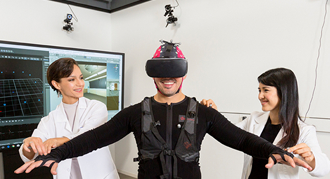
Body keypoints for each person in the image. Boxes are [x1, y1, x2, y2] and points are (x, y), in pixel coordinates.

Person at [15, 41, 312, 179]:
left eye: (174, 73)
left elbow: (241, 139)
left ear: (182, 75)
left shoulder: (204, 113)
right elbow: (93, 139)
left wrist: (270, 149)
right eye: (162, 72)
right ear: (154, 75)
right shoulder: (133, 113)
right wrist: (57, 153)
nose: (168, 78)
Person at [202, 68, 330, 179]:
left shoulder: (304, 130)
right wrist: (214, 115)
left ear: (283, 92)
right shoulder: (254, 118)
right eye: (259, 90)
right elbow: (229, 132)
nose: (260, 96)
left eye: (265, 90)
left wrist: (311, 158)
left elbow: (324, 169)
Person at [18, 58, 119, 179]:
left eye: (81, 78)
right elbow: (30, 156)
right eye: (72, 79)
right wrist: (29, 145)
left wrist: (56, 141)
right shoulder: (48, 120)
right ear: (56, 84)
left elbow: (87, 137)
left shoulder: (97, 108)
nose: (80, 83)